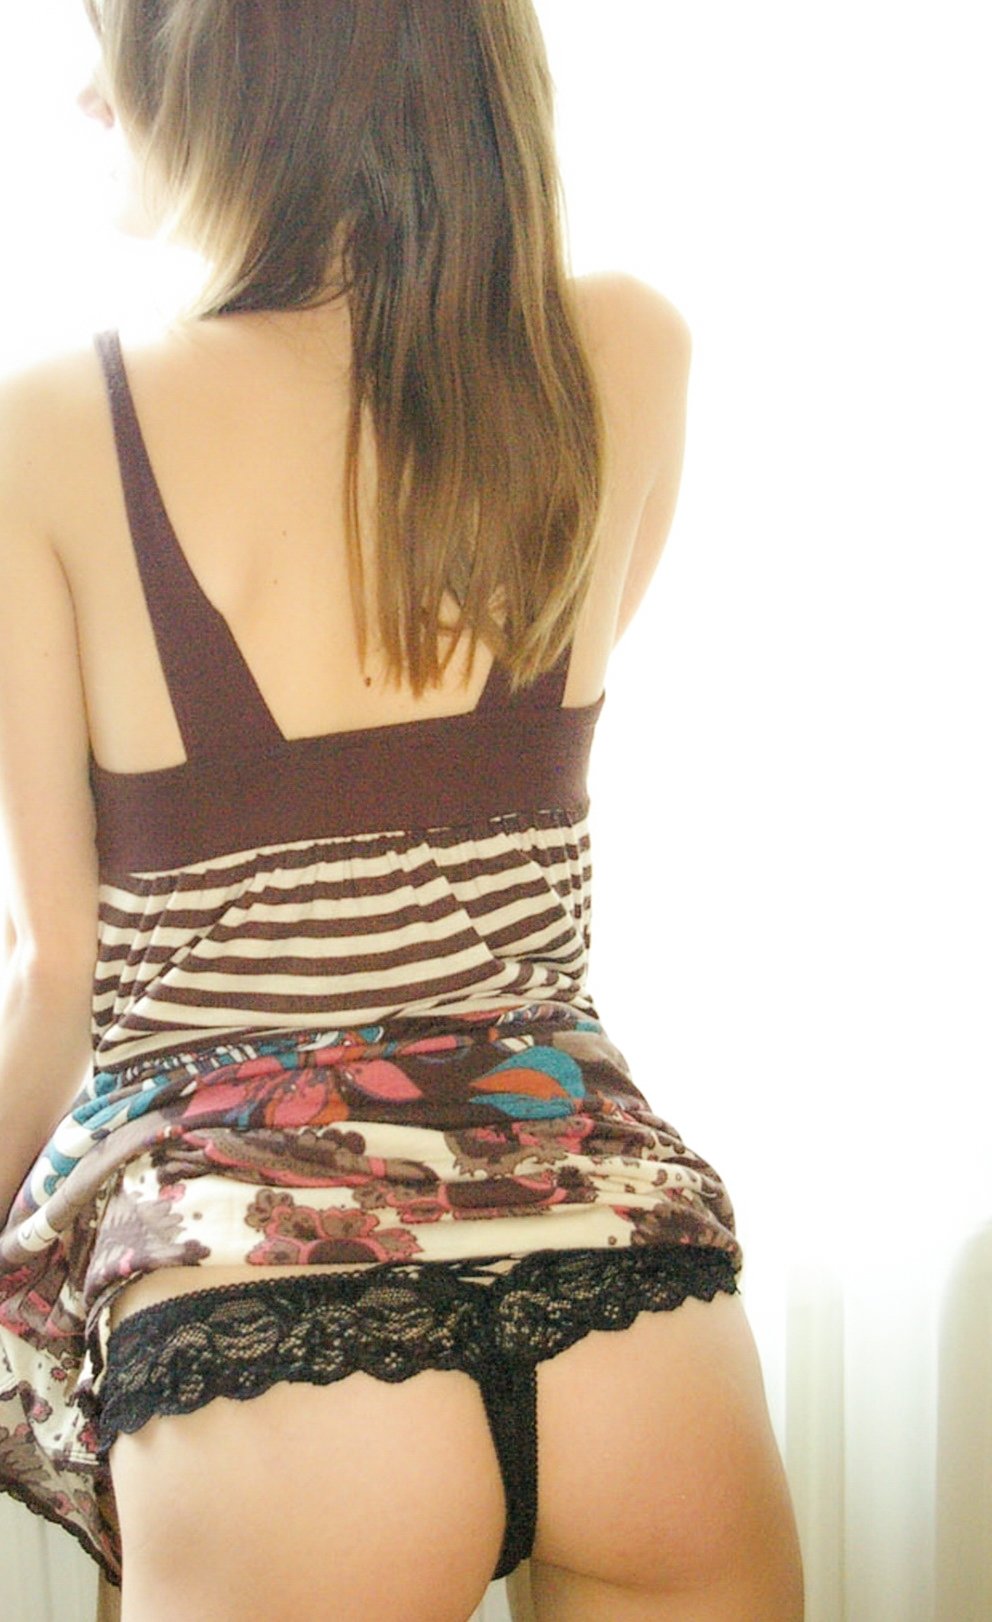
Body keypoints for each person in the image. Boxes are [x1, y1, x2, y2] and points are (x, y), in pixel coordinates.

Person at [0, 3, 804, 1619]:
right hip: (624, 1280)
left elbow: (61, 976)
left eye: (116, 43)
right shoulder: (628, 351)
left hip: (265, 1312)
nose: (85, 93)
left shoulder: (51, 430)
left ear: (245, 69)